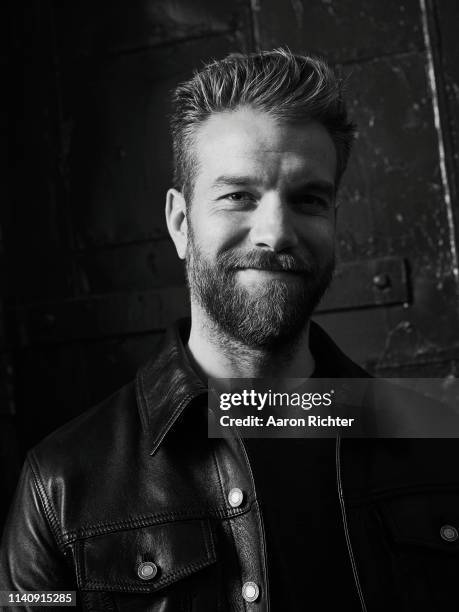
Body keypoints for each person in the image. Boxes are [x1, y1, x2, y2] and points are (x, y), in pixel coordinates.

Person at [1, 49, 459, 612]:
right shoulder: (59, 486)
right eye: (238, 196)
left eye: (308, 199)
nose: (276, 232)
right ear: (179, 224)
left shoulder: (440, 449)